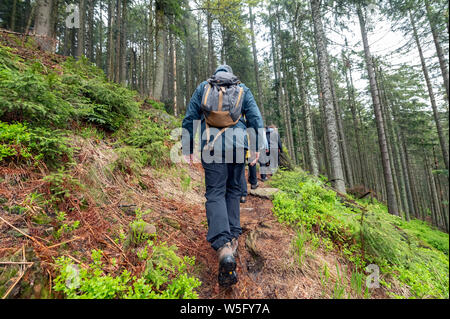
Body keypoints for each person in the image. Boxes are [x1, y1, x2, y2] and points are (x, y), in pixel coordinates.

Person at [181, 65, 264, 287]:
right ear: (230, 75)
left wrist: (187, 147)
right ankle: (233, 236)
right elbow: (255, 118)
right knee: (233, 189)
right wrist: (257, 146)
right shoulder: (242, 88)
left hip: (211, 146)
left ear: (215, 76)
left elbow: (190, 118)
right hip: (238, 145)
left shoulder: (203, 88)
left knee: (215, 192)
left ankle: (223, 245)